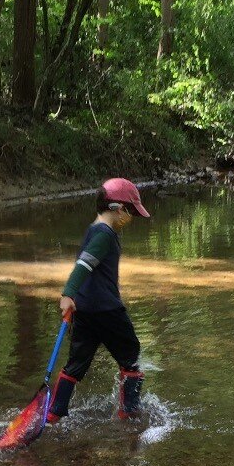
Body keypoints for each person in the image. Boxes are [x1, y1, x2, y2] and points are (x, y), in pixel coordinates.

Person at [49, 177, 150, 423]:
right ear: (116, 208)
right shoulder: (105, 235)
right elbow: (83, 265)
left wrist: (74, 297)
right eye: (129, 212)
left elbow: (86, 266)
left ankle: (53, 413)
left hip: (85, 310)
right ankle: (129, 414)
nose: (129, 218)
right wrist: (67, 293)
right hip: (107, 310)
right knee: (131, 357)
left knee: (76, 364)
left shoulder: (93, 230)